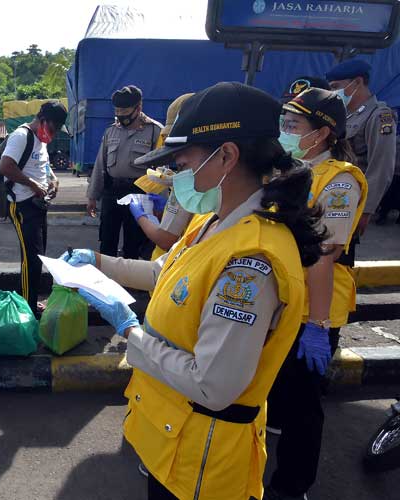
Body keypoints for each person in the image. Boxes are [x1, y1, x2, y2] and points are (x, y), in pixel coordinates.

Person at [62, 82, 326, 500]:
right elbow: (164, 273)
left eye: (181, 164)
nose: (174, 175)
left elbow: (213, 386)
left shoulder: (251, 263)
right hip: (175, 439)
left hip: (204, 459)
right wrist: (98, 262)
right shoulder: (213, 222)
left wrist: (131, 331)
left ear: (226, 156)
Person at [265, 88, 367, 500]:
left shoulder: (338, 180)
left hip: (316, 306)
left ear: (323, 133)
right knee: (278, 390)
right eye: (284, 124)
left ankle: (291, 487)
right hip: (282, 296)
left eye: (293, 125)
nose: (285, 131)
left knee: (305, 406)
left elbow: (324, 256)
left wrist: (317, 325)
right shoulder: (285, 168)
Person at [0, 101, 67, 315]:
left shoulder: (41, 140)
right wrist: (33, 185)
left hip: (37, 204)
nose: (52, 136)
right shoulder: (21, 136)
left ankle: (27, 299)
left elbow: (42, 166)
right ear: (43, 119)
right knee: (32, 258)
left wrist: (53, 180)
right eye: (52, 129)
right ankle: (27, 308)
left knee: (36, 257)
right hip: (21, 205)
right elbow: (6, 166)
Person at [87, 85, 163, 259]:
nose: (121, 115)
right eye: (118, 111)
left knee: (134, 243)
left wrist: (159, 204)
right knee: (107, 241)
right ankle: (106, 282)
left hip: (139, 194)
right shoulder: (111, 131)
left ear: (139, 107)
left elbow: (161, 171)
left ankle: (131, 284)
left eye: (125, 110)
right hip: (112, 192)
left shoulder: (155, 131)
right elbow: (101, 165)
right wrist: (92, 196)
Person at [327, 59, 396, 236]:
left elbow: (381, 166)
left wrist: (365, 210)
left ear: (357, 82)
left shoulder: (379, 116)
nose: (334, 92)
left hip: (353, 202)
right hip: (333, 197)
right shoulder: (345, 114)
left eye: (336, 86)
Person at [129, 93, 194, 261]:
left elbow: (165, 239)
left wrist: (141, 216)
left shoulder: (188, 185)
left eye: (182, 149)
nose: (177, 159)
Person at [376, 109, 400, 225]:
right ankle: (383, 214)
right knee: (389, 196)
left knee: (391, 195)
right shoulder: (394, 138)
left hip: (394, 171)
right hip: (393, 171)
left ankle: (384, 214)